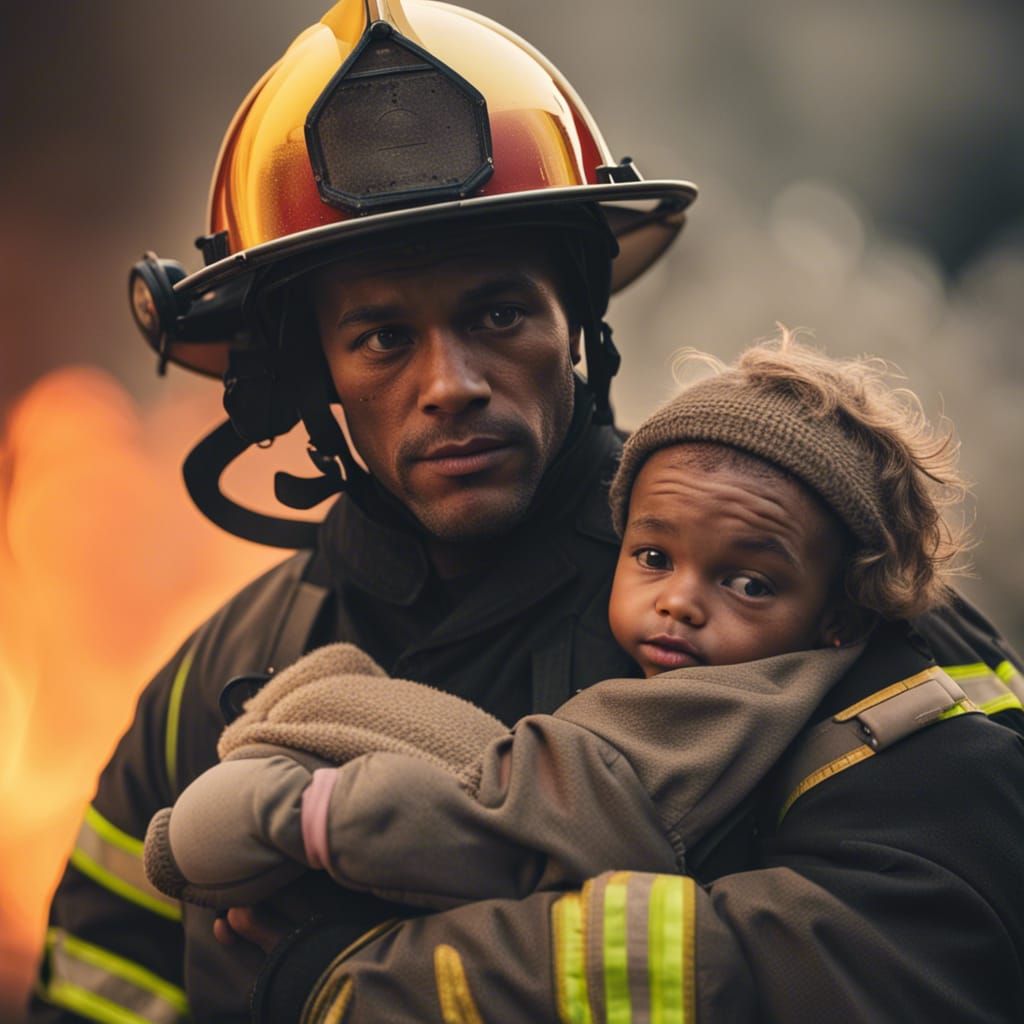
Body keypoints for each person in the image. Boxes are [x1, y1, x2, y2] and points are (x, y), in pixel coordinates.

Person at [28, 1, 1024, 1023]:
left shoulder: (805, 579)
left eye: (497, 314)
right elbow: (100, 991)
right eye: (379, 337)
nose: (450, 382)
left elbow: (929, 957)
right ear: (307, 375)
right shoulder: (219, 678)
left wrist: (381, 981)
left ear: (579, 322)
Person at [143, 335, 970, 922]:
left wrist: (304, 815)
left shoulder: (725, 703)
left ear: (838, 617)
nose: (680, 601)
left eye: (748, 581)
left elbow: (522, 818)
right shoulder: (243, 631)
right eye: (651, 555)